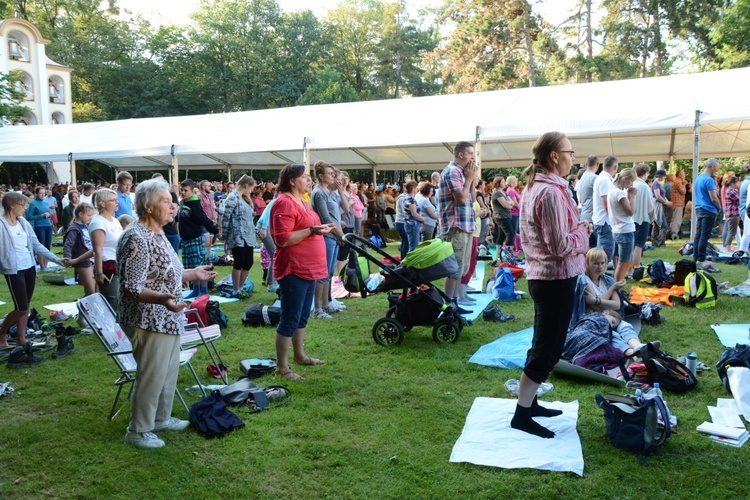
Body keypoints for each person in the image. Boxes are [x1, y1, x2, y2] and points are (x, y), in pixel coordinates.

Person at [117, 178, 217, 449]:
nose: (173, 206)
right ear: (148, 206)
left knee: (168, 370)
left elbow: (166, 274)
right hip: (147, 319)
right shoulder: (137, 237)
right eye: (165, 201)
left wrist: (192, 274)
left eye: (172, 200)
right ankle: (138, 430)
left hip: (168, 315)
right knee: (152, 374)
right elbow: (131, 288)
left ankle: (160, 418)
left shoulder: (158, 232)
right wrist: (164, 299)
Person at [513, 131, 590, 439]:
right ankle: (522, 414)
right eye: (570, 152)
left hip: (546, 277)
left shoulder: (539, 187)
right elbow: (559, 245)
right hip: (553, 277)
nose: (573, 158)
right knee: (548, 349)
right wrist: (584, 233)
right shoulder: (550, 192)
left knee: (544, 344)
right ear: (554, 156)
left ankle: (528, 405)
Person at [270, 164, 333, 382]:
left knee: (303, 315)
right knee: (290, 317)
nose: (309, 180)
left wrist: (318, 229)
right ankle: (282, 368)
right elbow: (283, 239)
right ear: (292, 181)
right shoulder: (283, 203)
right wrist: (312, 231)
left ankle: (299, 356)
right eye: (304, 177)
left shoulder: (303, 200)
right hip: (293, 268)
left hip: (308, 268)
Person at [0, 192, 70, 366]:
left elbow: (36, 244)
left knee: (26, 305)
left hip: (29, 267)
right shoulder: (1, 224)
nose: (25, 208)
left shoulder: (23, 222)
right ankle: (2, 334)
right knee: (21, 308)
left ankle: (21, 339)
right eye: (22, 205)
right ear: (11, 205)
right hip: (13, 269)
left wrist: (56, 259)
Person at [438, 141, 478, 304]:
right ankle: (449, 304)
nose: (473, 157)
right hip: (456, 226)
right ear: (460, 155)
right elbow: (461, 198)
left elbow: (472, 199)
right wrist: (468, 179)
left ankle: (455, 301)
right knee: (454, 268)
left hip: (465, 226)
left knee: (461, 268)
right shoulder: (452, 171)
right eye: (470, 153)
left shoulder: (462, 172)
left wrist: (472, 180)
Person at [311, 161, 345, 318]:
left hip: (334, 236)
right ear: (320, 176)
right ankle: (318, 308)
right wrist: (341, 235)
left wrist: (339, 234)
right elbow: (326, 219)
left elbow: (336, 216)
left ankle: (326, 303)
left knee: (329, 272)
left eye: (333, 173)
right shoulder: (319, 193)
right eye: (330, 173)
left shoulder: (329, 192)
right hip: (327, 237)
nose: (333, 176)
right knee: (322, 274)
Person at [177, 179, 219, 298]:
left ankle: (204, 290)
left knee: (200, 265)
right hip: (185, 240)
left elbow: (203, 219)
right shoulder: (183, 203)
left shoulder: (194, 203)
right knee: (191, 268)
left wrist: (215, 230)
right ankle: (195, 290)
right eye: (182, 190)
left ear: (192, 191)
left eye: (185, 190)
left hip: (195, 239)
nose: (183, 192)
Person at [220, 175, 256, 298]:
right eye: (251, 188)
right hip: (237, 235)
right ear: (246, 186)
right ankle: (236, 289)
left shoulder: (245, 199)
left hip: (248, 235)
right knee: (239, 262)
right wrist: (224, 234)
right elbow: (226, 217)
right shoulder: (233, 197)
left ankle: (240, 287)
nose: (251, 190)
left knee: (248, 262)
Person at [91, 188, 125, 312]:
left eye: (116, 200)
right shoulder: (98, 223)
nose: (117, 202)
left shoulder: (115, 221)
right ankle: (111, 331)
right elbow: (97, 250)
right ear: (103, 204)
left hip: (119, 264)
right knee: (112, 302)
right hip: (107, 267)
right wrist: (99, 273)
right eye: (113, 200)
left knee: (121, 300)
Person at [607, 168, 637, 282]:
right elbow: (630, 212)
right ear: (625, 179)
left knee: (626, 261)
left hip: (619, 229)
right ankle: (617, 288)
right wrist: (632, 196)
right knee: (623, 262)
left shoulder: (612, 190)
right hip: (624, 230)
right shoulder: (619, 193)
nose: (631, 184)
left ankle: (618, 285)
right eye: (631, 181)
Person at [694, 158, 722, 273]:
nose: (717, 170)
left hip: (699, 208)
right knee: (704, 236)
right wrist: (719, 207)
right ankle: (701, 259)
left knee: (699, 234)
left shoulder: (698, 178)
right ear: (712, 167)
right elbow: (713, 197)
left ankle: (696, 257)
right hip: (708, 209)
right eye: (717, 167)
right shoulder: (709, 180)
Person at [64, 202, 97, 297]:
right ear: (80, 214)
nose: (90, 218)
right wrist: (67, 257)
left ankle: (87, 310)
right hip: (82, 261)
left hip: (90, 259)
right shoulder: (74, 228)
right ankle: (82, 309)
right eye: (89, 215)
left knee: (94, 290)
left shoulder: (86, 226)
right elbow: (68, 244)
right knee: (91, 290)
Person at [631, 164, 654, 275]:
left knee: (632, 244)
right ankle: (636, 266)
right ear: (645, 172)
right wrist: (653, 217)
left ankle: (631, 265)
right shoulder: (644, 186)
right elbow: (650, 205)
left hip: (631, 218)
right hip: (643, 218)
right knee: (639, 245)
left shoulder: (632, 184)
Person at [26, 186, 54, 270]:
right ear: (36, 194)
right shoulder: (33, 203)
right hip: (39, 226)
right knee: (41, 245)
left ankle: (46, 264)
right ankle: (42, 266)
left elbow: (49, 212)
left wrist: (49, 216)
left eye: (43, 193)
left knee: (47, 245)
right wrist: (41, 215)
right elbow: (29, 217)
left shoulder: (46, 202)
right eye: (40, 193)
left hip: (48, 225)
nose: (42, 195)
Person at [576, 155, 600, 248]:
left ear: (586, 164)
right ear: (597, 164)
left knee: (587, 247)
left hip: (584, 214)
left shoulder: (582, 178)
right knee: (596, 249)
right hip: (593, 216)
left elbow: (581, 199)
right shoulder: (595, 178)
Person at [490, 176, 514, 247]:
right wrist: (509, 203)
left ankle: (498, 256)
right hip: (501, 216)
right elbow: (506, 205)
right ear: (498, 183)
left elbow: (512, 202)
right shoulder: (497, 193)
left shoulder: (504, 192)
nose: (505, 183)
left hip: (506, 215)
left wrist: (509, 203)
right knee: (510, 234)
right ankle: (508, 253)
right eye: (503, 182)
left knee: (501, 236)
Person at [650, 169, 671, 248]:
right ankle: (661, 243)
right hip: (658, 205)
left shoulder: (656, 184)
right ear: (661, 176)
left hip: (658, 205)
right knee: (663, 225)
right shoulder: (656, 184)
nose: (664, 178)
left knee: (656, 224)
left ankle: (654, 242)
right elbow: (658, 196)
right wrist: (666, 203)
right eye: (664, 176)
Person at [723, 176, 740, 253]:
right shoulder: (731, 191)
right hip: (733, 214)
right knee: (732, 232)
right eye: (737, 182)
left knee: (732, 231)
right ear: (733, 183)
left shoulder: (730, 190)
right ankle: (727, 248)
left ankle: (728, 246)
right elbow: (739, 200)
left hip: (732, 213)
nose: (738, 184)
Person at [670, 169, 687, 238]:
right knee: (677, 219)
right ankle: (674, 233)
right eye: (683, 173)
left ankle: (674, 232)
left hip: (677, 203)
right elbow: (683, 191)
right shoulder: (678, 182)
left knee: (675, 218)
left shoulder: (677, 181)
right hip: (678, 203)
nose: (684, 174)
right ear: (680, 174)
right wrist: (685, 185)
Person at [506, 175, 522, 239]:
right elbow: (515, 203)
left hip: (516, 213)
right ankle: (513, 247)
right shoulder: (510, 191)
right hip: (513, 214)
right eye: (515, 180)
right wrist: (521, 209)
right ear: (512, 182)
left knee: (516, 232)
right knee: (514, 232)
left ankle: (516, 247)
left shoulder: (513, 190)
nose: (517, 182)